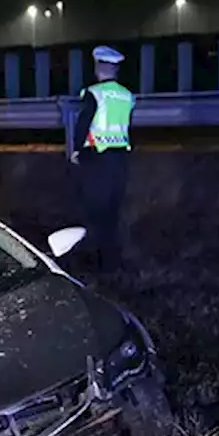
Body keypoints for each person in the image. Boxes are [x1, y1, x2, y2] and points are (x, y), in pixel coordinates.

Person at [70, 45, 134, 272]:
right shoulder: (127, 95)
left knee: (95, 211)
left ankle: (97, 262)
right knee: (112, 213)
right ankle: (113, 261)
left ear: (98, 68)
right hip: (120, 161)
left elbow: (83, 123)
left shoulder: (94, 93)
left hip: (97, 159)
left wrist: (76, 150)